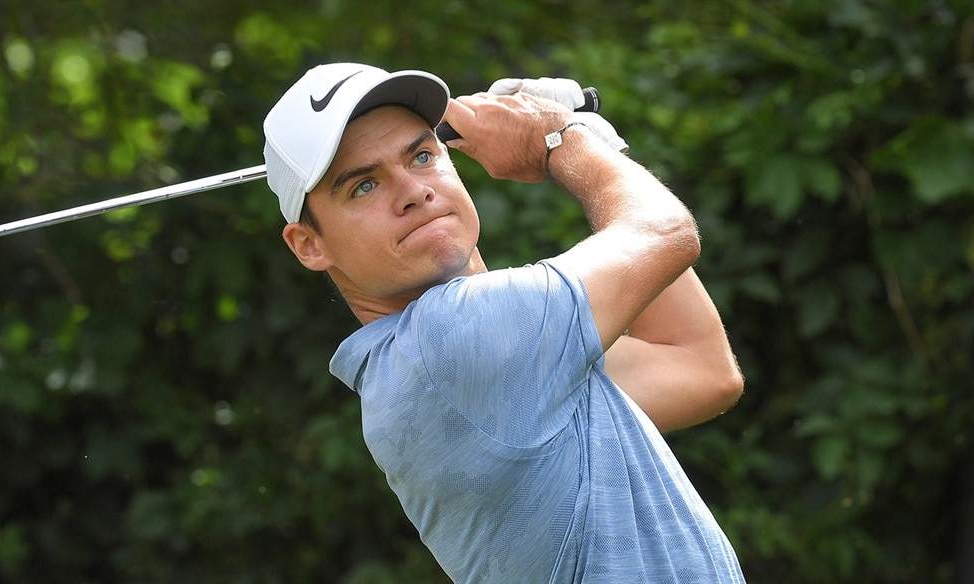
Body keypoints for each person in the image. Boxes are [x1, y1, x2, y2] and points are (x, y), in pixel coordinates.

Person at [262, 62, 746, 583]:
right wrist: (562, 138)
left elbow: (700, 369)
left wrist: (588, 141)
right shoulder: (450, 341)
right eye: (362, 186)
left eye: (422, 156)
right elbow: (665, 233)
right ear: (309, 245)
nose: (412, 191)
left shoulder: (506, 363)